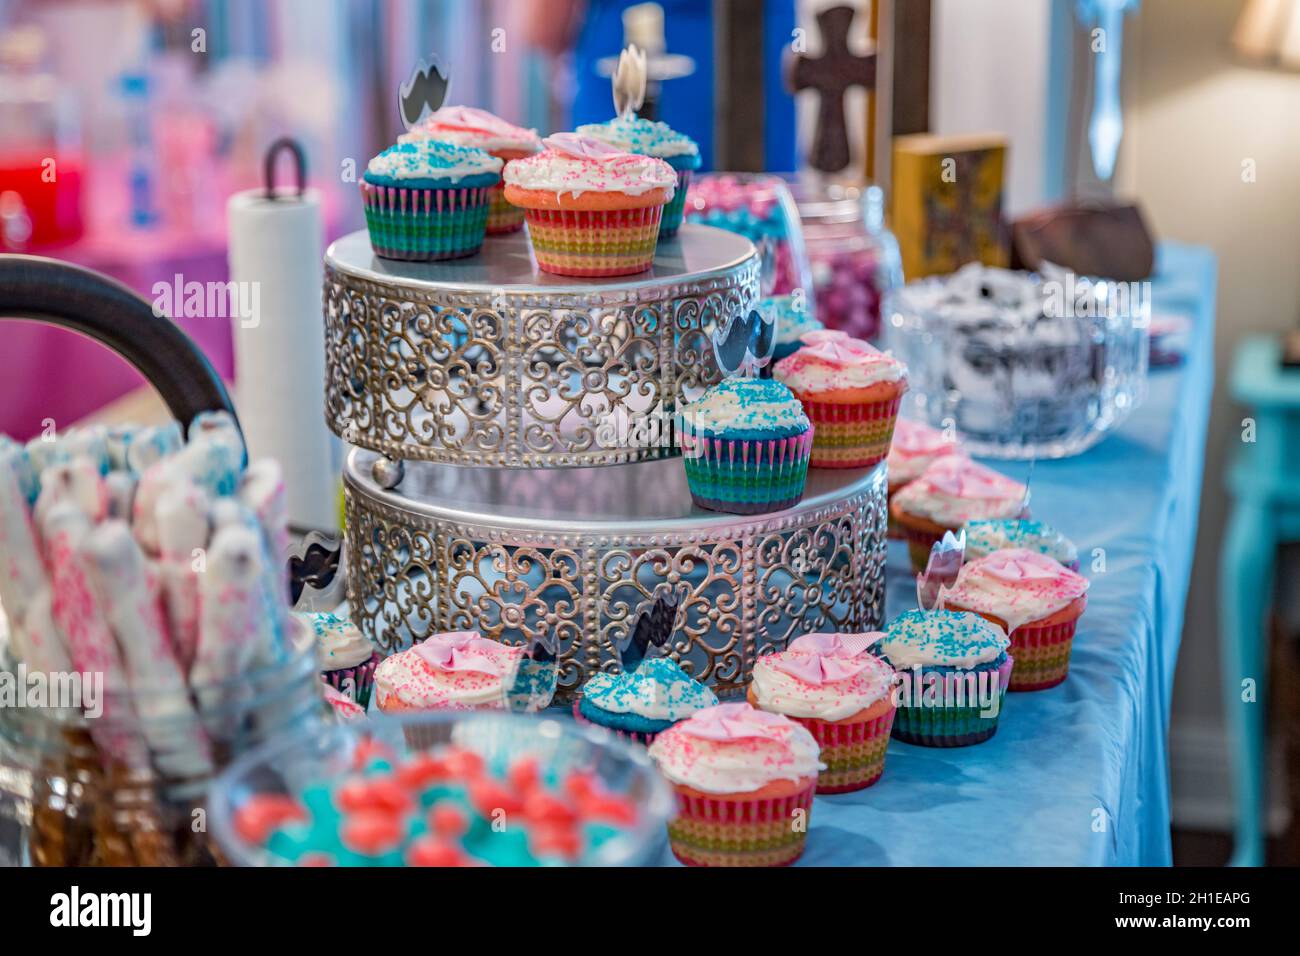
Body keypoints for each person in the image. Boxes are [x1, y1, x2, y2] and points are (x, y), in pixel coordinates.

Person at [522, 0, 797, 171]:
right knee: (758, 226)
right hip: (756, 72)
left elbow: (544, 30)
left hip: (623, 67)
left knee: (621, 228)